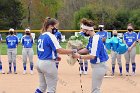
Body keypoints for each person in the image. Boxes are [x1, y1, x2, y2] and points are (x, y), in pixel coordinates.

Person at [35, 17, 76, 93]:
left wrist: (55, 56)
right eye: (56, 27)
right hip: (48, 64)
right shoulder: (51, 36)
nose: (56, 29)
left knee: (41, 87)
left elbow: (43, 50)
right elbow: (59, 50)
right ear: (51, 26)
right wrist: (72, 51)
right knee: (51, 90)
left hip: (39, 62)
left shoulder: (42, 35)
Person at [73, 18, 108, 93]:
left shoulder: (96, 38)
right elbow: (87, 49)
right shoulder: (92, 38)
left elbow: (92, 56)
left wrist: (79, 56)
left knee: (95, 90)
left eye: (83, 30)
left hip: (99, 65)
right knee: (95, 89)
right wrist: (76, 52)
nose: (82, 32)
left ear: (88, 30)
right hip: (97, 66)